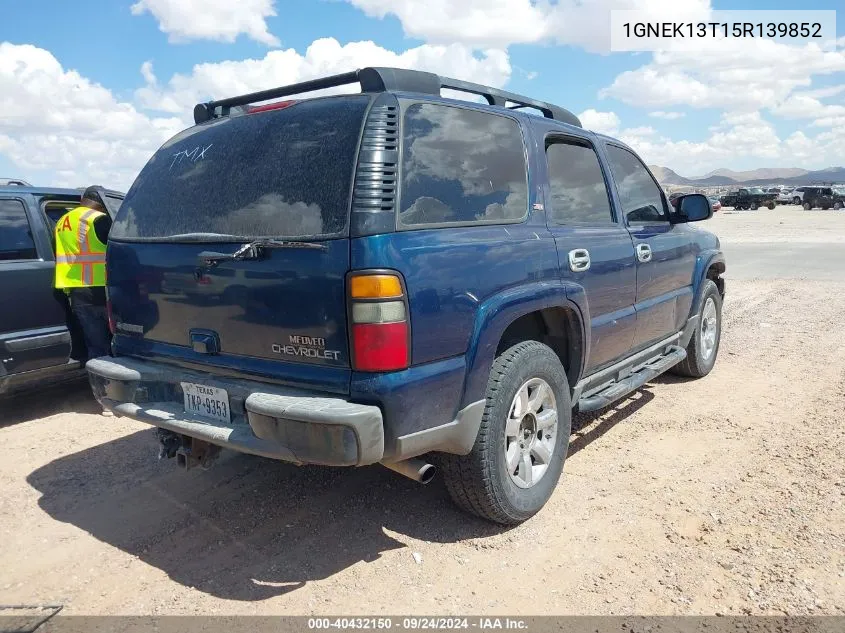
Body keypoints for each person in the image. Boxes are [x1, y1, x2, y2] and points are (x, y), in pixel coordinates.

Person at [54, 186, 113, 370]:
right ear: (102, 203)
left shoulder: (62, 221)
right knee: (116, 345)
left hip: (76, 292)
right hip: (102, 290)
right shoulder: (98, 219)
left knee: (95, 346)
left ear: (82, 198)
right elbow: (119, 248)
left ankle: (99, 388)